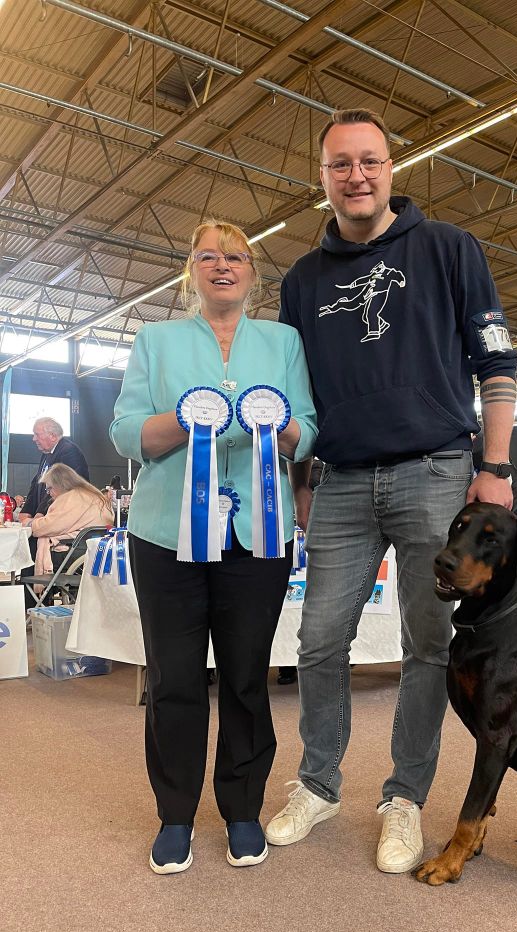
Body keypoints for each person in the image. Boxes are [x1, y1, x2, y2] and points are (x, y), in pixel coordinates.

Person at [268, 107, 517, 874]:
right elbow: (296, 397)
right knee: (318, 640)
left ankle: (403, 797)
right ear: (323, 178)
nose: (356, 175)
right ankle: (318, 783)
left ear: (391, 168)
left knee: (428, 645)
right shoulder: (302, 281)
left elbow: (498, 365)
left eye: (369, 160)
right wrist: (301, 482)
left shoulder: (449, 249)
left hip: (436, 472)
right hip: (339, 481)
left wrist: (496, 469)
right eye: (340, 164)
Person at [110, 220, 317, 875]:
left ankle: (242, 809)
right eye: (208, 256)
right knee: (172, 679)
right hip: (164, 533)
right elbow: (123, 432)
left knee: (247, 678)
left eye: (235, 257)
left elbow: (307, 429)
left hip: (257, 536)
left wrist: (275, 424)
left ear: (252, 273)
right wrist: (189, 419)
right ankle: (174, 815)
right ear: (190, 271)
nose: (221, 266)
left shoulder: (283, 341)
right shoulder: (155, 339)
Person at [29, 464, 114, 575]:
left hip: (76, 551)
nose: (48, 493)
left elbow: (47, 526)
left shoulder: (72, 497)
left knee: (31, 548)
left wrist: (30, 523)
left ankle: (31, 591)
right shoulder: (93, 495)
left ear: (60, 484)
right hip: (97, 550)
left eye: (49, 488)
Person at [19, 418, 89, 522]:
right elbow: (37, 483)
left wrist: (41, 512)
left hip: (63, 519)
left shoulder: (69, 452)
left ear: (52, 436)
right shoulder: (47, 453)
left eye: (37, 434)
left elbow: (61, 487)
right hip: (46, 517)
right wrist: (26, 510)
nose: (34, 439)